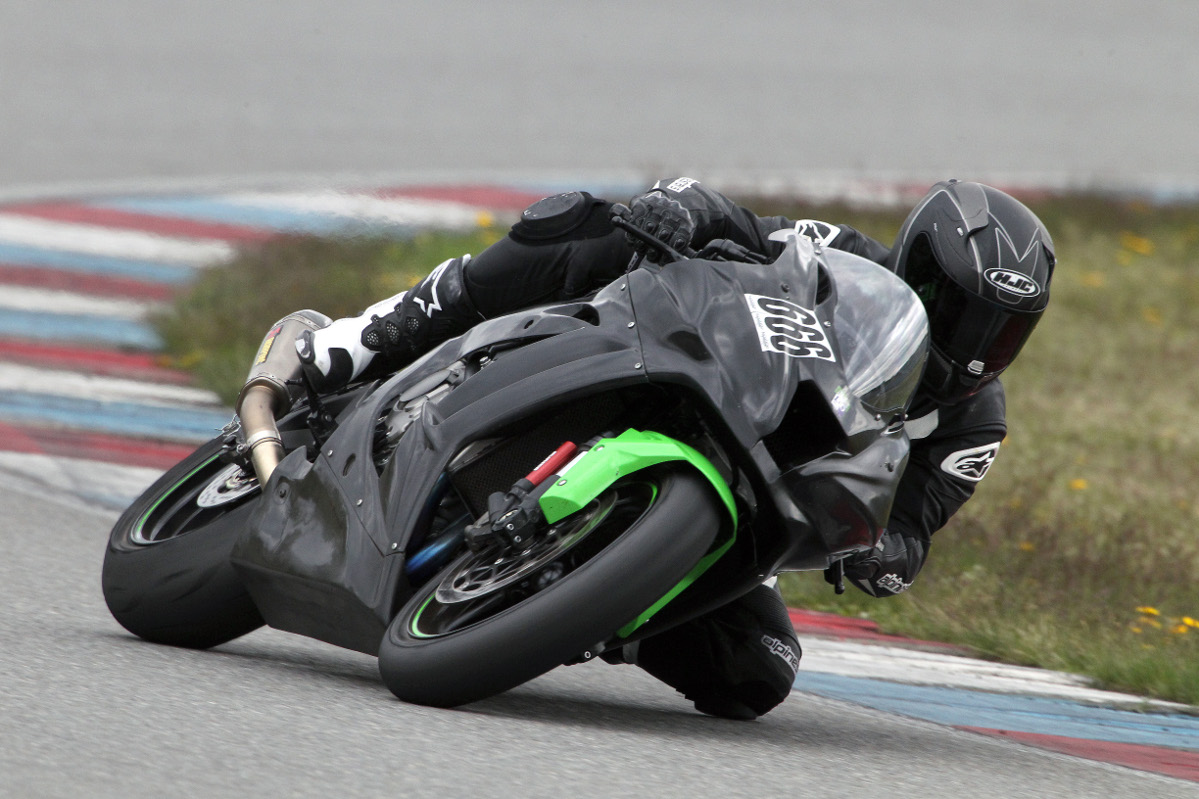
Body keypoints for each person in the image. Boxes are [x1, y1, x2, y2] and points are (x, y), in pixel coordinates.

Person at [295, 177, 1056, 720]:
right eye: (964, 313)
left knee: (760, 672)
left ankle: (585, 608)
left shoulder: (972, 425)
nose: (976, 348)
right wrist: (682, 209)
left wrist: (883, 555)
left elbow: (915, 527)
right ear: (916, 264)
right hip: (689, 378)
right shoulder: (841, 259)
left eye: (1004, 333)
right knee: (587, 224)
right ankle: (378, 334)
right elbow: (736, 219)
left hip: (751, 504)